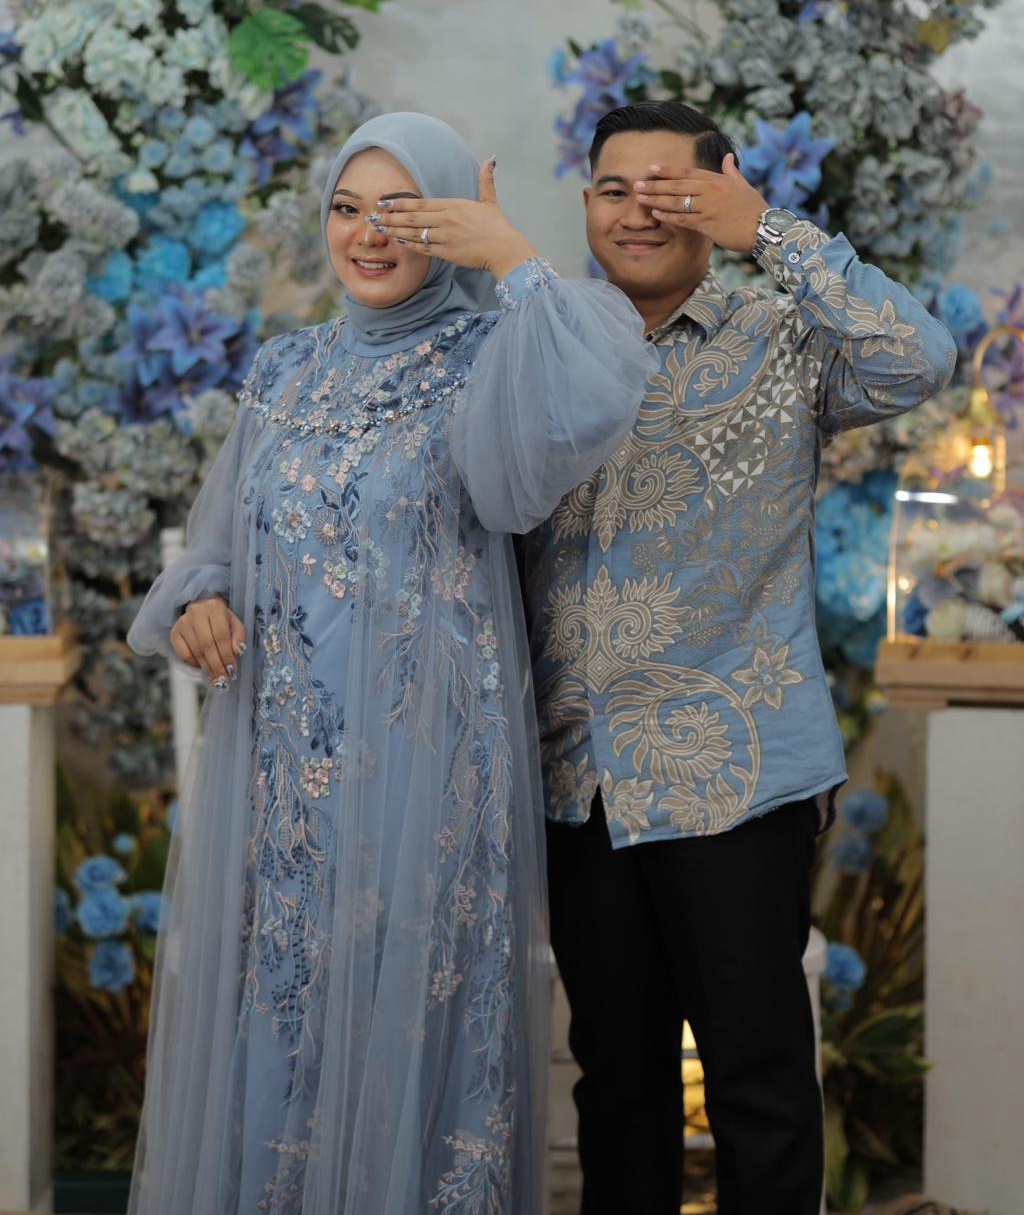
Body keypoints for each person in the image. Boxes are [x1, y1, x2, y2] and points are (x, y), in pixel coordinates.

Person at [126, 111, 655, 1215]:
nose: (368, 235)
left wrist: (511, 257)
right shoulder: (284, 369)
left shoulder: (491, 359)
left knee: (408, 1022)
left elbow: (599, 396)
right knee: (282, 1019)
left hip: (428, 770)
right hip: (288, 777)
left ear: (447, 221)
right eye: (347, 209)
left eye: (402, 212)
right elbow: (220, 540)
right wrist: (202, 599)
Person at [519, 100, 957, 1215]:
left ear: (717, 194)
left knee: (759, 1082)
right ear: (585, 204)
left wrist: (769, 232)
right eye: (614, 190)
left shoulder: (780, 341)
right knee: (617, 1089)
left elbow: (919, 359)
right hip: (581, 780)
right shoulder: (540, 347)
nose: (638, 212)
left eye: (669, 190)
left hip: (738, 774)